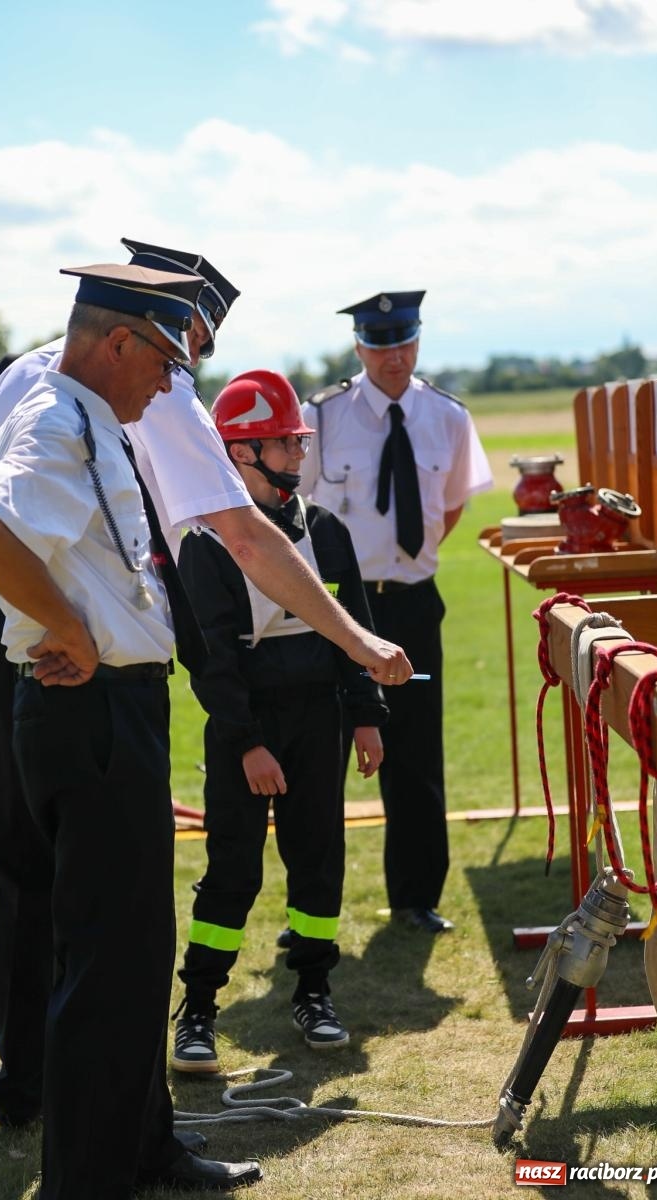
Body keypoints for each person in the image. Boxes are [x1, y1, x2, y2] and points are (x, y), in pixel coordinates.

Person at [0, 262, 263, 1199]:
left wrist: (52, 617)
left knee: (130, 953)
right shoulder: (58, 415)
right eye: (167, 360)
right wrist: (70, 627)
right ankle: (93, 1178)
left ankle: (142, 1148)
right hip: (90, 711)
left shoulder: (75, 407)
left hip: (103, 706)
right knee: (106, 962)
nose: (172, 384)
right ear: (119, 341)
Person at [172, 371, 387, 1074]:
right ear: (241, 454)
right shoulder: (209, 542)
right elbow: (211, 663)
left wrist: (364, 718)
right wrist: (249, 743)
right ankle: (198, 1009)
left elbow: (354, 630)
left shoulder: (326, 530)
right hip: (250, 728)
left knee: (317, 862)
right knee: (233, 869)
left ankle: (314, 992)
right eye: (285, 442)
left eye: (299, 440)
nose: (300, 452)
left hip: (319, 721)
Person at [300, 291, 493, 934]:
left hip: (410, 604)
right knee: (318, 758)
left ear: (418, 341)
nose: (395, 357)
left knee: (415, 755)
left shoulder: (447, 416)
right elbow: (289, 516)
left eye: (405, 342)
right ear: (359, 347)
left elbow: (451, 507)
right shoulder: (323, 417)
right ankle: (309, 904)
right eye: (381, 345)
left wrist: (407, 557)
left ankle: (415, 898)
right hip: (335, 608)